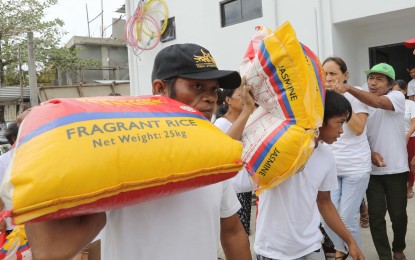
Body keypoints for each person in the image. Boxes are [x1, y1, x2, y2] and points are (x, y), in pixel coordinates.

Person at [25, 43, 252, 260]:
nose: (211, 97)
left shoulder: (214, 156)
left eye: (214, 89)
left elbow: (232, 232)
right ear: (160, 89)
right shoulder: (121, 150)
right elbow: (52, 249)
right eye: (197, 86)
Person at [254, 90, 365, 260]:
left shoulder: (327, 156)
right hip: (272, 250)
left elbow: (325, 203)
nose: (342, 131)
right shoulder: (280, 149)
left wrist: (350, 242)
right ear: (321, 118)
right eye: (339, 123)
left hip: (312, 248)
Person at [333, 63, 408, 260]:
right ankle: (384, 256)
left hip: (396, 168)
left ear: (390, 84)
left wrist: (348, 87)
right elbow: (358, 131)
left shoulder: (397, 97)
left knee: (398, 215)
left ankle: (398, 248)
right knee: (376, 217)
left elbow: (379, 103)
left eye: (379, 79)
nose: (373, 83)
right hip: (371, 170)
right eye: (370, 78)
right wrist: (371, 151)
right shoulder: (361, 99)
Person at [320, 57, 371, 259]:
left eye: (333, 74)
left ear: (345, 75)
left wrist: (344, 98)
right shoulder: (322, 96)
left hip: (356, 167)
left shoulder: (356, 95)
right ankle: (344, 248)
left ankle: (350, 253)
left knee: (347, 219)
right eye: (325, 74)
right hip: (331, 166)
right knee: (326, 219)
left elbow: (358, 129)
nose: (328, 78)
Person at [214, 85, 256, 235]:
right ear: (228, 100)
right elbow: (225, 149)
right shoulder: (221, 124)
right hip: (233, 189)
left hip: (244, 188)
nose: (245, 99)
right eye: (240, 95)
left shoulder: (246, 122)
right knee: (237, 234)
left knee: (243, 232)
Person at [392, 79, 415, 198]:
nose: (396, 93)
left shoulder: (411, 104)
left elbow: (414, 123)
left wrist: (406, 135)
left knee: (411, 163)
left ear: (405, 91)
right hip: (395, 138)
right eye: (393, 91)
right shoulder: (390, 104)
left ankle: (410, 186)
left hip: (410, 137)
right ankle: (400, 187)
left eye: (399, 91)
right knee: (398, 163)